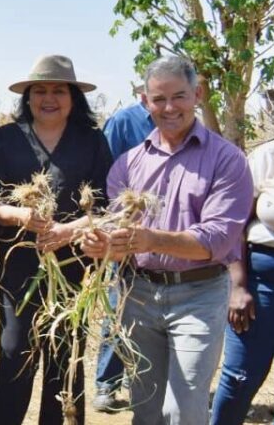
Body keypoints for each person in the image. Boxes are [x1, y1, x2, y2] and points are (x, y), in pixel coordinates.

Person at [82, 56, 253, 425]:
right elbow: (118, 229)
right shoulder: (127, 164)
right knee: (145, 408)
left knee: (183, 409)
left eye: (179, 96)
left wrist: (151, 239)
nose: (169, 107)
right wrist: (102, 245)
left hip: (200, 294)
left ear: (198, 94)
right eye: (159, 99)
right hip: (138, 295)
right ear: (145, 101)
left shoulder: (228, 160)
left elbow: (218, 239)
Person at [0, 55, 112, 425]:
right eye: (39, 90)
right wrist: (19, 215)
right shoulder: (5, 138)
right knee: (14, 352)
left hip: (75, 269)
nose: (48, 97)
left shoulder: (91, 142)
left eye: (58, 90)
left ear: (73, 97)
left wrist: (66, 233)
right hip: (18, 265)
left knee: (65, 357)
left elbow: (106, 207)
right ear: (28, 97)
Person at [211, 86, 274, 423]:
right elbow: (233, 226)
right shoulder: (268, 157)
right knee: (241, 375)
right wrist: (238, 286)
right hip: (264, 278)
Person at [92, 85, 154, 413]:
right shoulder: (123, 122)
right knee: (119, 305)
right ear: (143, 90)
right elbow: (106, 174)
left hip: (165, 236)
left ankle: (140, 379)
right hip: (126, 231)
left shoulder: (178, 122)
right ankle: (106, 383)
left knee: (150, 311)